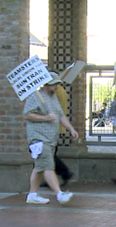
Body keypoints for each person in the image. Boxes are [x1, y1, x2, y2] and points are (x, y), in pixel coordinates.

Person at [23, 72, 78, 205]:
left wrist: (70, 128)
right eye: (54, 85)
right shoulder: (35, 96)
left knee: (40, 167)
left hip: (50, 139)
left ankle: (32, 194)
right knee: (48, 166)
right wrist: (46, 118)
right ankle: (59, 194)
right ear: (47, 84)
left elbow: (60, 115)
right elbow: (27, 115)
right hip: (39, 138)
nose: (56, 87)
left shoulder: (53, 98)